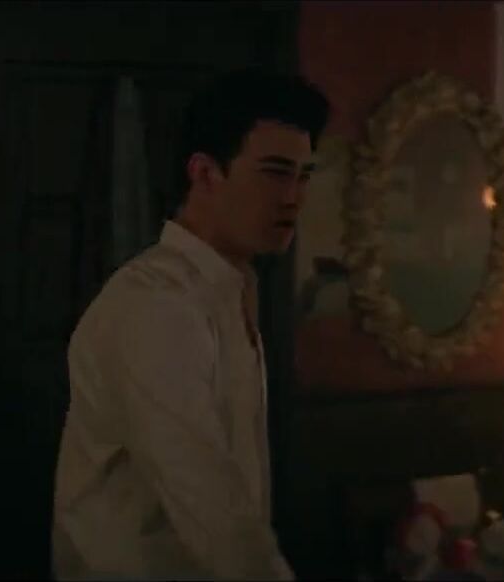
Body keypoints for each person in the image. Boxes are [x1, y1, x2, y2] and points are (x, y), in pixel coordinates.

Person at [51, 68, 329, 580]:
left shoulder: (231, 291)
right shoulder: (156, 304)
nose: (294, 196)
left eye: (303, 175)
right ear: (204, 173)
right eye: (274, 172)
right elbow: (209, 501)